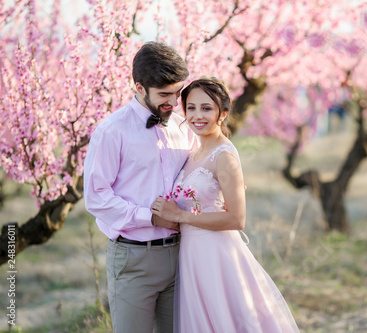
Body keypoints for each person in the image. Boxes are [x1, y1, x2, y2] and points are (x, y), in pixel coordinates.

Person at [151, 77, 300, 332]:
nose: (197, 115)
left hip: (217, 255)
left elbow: (236, 219)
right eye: (191, 107)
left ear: (223, 113)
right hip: (191, 254)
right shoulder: (192, 153)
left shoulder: (225, 156)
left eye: (206, 108)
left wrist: (181, 216)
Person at [83, 42, 198, 333]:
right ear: (139, 87)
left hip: (182, 255)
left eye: (177, 92)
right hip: (133, 260)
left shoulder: (184, 128)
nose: (173, 101)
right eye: (164, 94)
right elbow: (96, 197)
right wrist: (152, 217)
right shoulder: (112, 131)